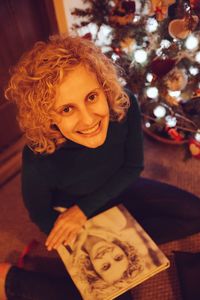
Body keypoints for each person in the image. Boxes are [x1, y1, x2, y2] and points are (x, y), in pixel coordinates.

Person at [1, 34, 200, 300]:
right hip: (73, 214)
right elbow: (40, 214)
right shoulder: (39, 156)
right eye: (67, 109)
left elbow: (133, 166)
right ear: (47, 115)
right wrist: (82, 238)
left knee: (194, 213)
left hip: (117, 188)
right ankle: (12, 282)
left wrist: (90, 214)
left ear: (104, 87)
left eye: (92, 96)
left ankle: (129, 238)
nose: (89, 119)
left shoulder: (124, 105)